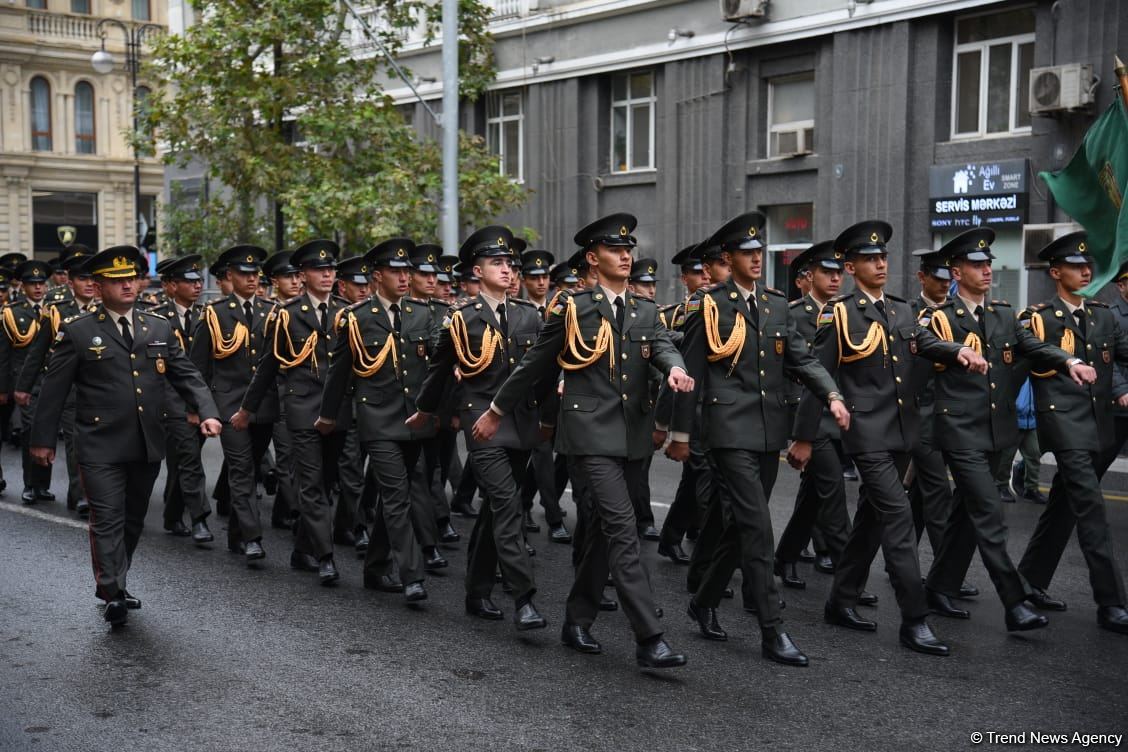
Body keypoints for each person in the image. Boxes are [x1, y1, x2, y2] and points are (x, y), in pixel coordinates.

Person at [483, 213, 694, 669]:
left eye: (628, 249)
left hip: (632, 437)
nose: (625, 256)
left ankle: (576, 620)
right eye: (615, 250)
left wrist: (675, 368)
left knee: (600, 532)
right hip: (588, 436)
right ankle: (649, 637)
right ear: (593, 259)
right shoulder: (573, 309)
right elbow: (534, 366)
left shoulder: (645, 310)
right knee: (623, 529)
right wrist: (497, 411)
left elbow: (661, 345)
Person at [670, 214, 846, 667]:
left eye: (759, 252)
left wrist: (831, 394)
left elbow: (801, 359)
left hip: (768, 431)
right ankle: (773, 629)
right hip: (727, 430)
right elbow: (690, 371)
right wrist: (680, 433)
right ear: (727, 259)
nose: (755, 258)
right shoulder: (710, 306)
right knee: (758, 528)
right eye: (746, 253)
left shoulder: (775, 305)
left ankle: (703, 600)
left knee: (740, 527)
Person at [29, 245, 221, 626]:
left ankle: (119, 578)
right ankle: (112, 591)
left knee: (133, 518)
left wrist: (208, 411)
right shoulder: (79, 331)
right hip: (99, 443)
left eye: (132, 278)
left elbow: (186, 374)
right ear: (100, 287)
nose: (128, 285)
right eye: (118, 281)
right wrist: (42, 441)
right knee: (107, 518)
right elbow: (53, 391)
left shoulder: (157, 327)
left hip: (146, 441)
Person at [914, 228, 1091, 632]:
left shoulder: (1004, 315)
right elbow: (920, 339)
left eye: (989, 263)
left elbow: (1033, 346)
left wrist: (1068, 362)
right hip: (958, 430)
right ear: (956, 272)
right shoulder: (939, 315)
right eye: (977, 264)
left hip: (995, 431)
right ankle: (1015, 602)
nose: (987, 270)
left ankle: (939, 587)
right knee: (988, 510)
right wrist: (958, 349)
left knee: (965, 513)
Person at [791, 220, 951, 656]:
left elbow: (925, 343)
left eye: (883, 257)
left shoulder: (901, 311)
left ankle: (841, 600)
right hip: (864, 434)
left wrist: (959, 352)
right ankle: (914, 619)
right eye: (869, 259)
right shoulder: (839, 314)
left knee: (872, 519)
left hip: (902, 431)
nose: (880, 264)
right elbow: (816, 375)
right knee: (898, 516)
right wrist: (804, 437)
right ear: (851, 267)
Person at [410, 227, 548, 628]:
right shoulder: (461, 318)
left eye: (510, 264)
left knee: (495, 510)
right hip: (482, 424)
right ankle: (524, 597)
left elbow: (540, 372)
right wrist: (424, 410)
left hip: (521, 424)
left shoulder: (528, 314)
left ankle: (476, 591)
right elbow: (438, 370)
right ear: (477, 270)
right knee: (507, 504)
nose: (507, 270)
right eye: (497, 263)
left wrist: (549, 417)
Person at [1016, 232, 1128, 634]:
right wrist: (1068, 361)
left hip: (1097, 425)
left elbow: (1122, 354)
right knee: (1092, 509)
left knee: (1064, 502)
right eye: (1075, 266)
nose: (1085, 271)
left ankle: (1029, 581)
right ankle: (1111, 602)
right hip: (1063, 424)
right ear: (1055, 272)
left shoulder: (1102, 316)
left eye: (1088, 266)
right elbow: (1031, 345)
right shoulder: (1038, 317)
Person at [318, 238, 439, 603]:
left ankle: (374, 567)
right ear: (376, 276)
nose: (404, 278)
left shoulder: (422, 313)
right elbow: (339, 372)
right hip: (377, 419)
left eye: (407, 271)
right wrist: (328, 415)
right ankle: (412, 575)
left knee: (392, 499)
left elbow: (436, 363)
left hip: (413, 419)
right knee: (397, 496)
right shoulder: (356, 318)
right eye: (395, 271)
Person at [237, 239, 351, 586]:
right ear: (303, 276)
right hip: (302, 408)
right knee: (312, 484)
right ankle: (325, 556)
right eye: (319, 269)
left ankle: (302, 549)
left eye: (331, 269)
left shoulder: (346, 312)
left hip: (338, 410)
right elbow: (268, 366)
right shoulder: (287, 315)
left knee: (327, 482)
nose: (327, 274)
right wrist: (247, 408)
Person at [773, 240, 854, 588]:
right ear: (809, 276)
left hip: (836, 414)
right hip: (806, 415)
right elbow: (787, 366)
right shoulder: (792, 314)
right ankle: (851, 577)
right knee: (833, 493)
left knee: (812, 498)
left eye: (839, 273)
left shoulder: (846, 312)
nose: (835, 279)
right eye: (827, 272)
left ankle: (786, 556)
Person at [190, 245, 277, 563]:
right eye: (244, 273)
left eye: (255, 274)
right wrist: (198, 409)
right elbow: (198, 366)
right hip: (228, 404)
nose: (252, 279)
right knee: (241, 470)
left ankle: (237, 535)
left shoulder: (272, 311)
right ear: (230, 276)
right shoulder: (215, 313)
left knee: (251, 468)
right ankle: (253, 537)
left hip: (263, 406)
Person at [15, 246, 98, 516]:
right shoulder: (56, 311)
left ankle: (81, 495)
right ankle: (56, 489)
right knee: (60, 438)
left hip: (94, 388)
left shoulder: (104, 309)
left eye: (92, 278)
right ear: (70, 282)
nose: (89, 284)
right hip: (62, 385)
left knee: (86, 443)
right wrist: (23, 387)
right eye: (83, 279)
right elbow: (37, 351)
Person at [149, 255, 214, 544]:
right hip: (167, 399)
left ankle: (173, 514)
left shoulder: (207, 316)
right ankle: (199, 517)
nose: (197, 285)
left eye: (199, 280)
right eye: (190, 281)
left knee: (184, 460)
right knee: (188, 457)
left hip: (197, 397)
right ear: (171, 286)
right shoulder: (155, 318)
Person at [518, 248, 570, 543]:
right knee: (540, 455)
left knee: (556, 455)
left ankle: (525, 501)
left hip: (556, 393)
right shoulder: (518, 311)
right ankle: (553, 518)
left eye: (544, 277)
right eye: (534, 277)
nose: (540, 282)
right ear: (524, 280)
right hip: (528, 396)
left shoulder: (561, 308)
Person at [0, 258, 54, 504]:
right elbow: (4, 354)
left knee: (48, 431)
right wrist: (4, 389)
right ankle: (30, 484)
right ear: (23, 286)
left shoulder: (55, 310)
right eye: (33, 283)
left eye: (42, 283)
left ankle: (43, 485)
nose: (38, 288)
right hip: (24, 381)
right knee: (31, 431)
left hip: (51, 380)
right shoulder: (12, 312)